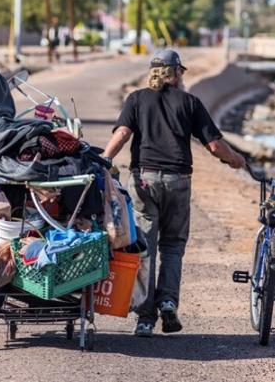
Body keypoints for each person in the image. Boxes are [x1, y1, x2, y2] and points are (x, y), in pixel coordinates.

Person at [102, 49, 246, 337]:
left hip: (144, 180)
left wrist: (104, 160)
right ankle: (167, 300)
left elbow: (122, 135)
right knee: (173, 246)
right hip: (179, 181)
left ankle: (144, 318)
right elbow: (215, 146)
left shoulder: (137, 99)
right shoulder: (190, 102)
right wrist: (236, 160)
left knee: (145, 249)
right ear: (176, 73)